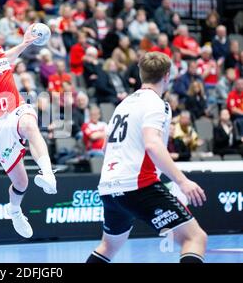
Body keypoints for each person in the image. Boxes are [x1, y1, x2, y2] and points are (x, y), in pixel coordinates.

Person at [87, 52, 207, 264]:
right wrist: (182, 181)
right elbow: (152, 144)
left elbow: (106, 148)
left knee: (108, 247)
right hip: (139, 185)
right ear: (167, 76)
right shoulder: (157, 104)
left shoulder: (123, 104)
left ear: (142, 75)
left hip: (109, 187)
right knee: (195, 238)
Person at [0, 6, 57, 239]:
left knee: (29, 123)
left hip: (14, 108)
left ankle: (47, 174)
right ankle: (14, 210)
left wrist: (25, 44)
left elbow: (6, 58)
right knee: (21, 182)